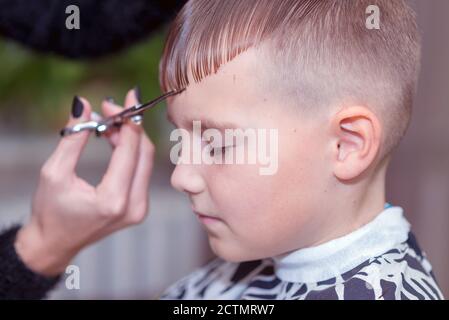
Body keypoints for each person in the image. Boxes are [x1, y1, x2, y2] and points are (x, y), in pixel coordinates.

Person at [155, 0, 443, 299]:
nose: (181, 177)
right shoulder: (257, 258)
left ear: (347, 145)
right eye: (180, 135)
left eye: (217, 144)